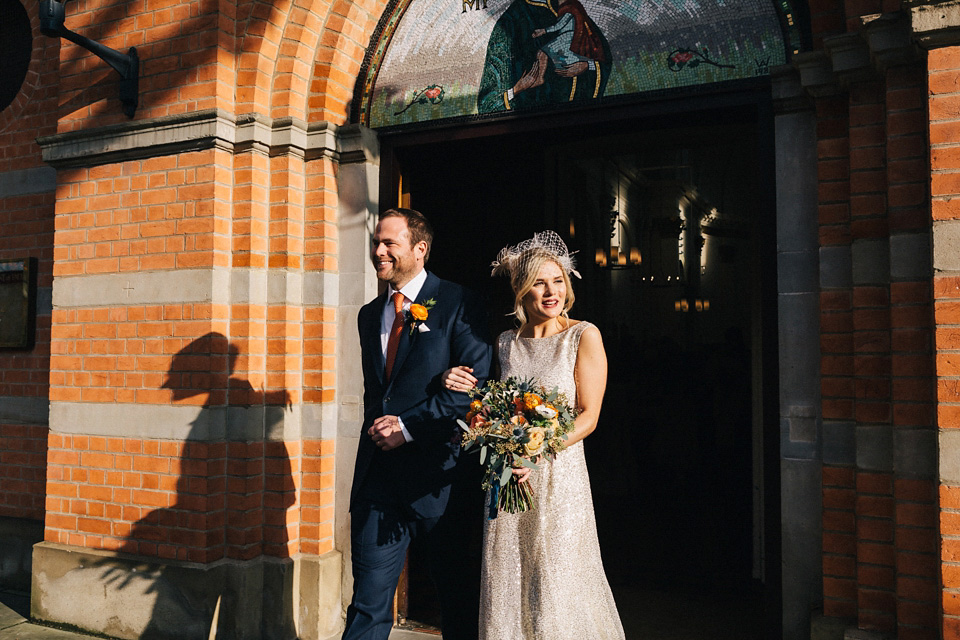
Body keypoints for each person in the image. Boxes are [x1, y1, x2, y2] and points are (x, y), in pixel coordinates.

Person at [443, 231, 625, 639]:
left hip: (559, 479)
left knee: (554, 577)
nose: (551, 291)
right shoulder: (506, 342)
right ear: (521, 289)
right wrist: (490, 430)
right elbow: (497, 407)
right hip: (509, 482)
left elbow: (589, 416)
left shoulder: (583, 335)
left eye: (557, 280)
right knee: (510, 574)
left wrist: (535, 453)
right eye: (540, 283)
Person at [343, 208, 494, 640]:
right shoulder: (370, 314)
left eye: (389, 243)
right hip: (379, 480)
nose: (379, 251)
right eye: (377, 242)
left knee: (455, 599)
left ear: (420, 249)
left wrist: (406, 427)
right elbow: (382, 393)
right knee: (367, 604)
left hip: (440, 480)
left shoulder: (459, 302)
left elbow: (472, 386)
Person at [476, 0, 611, 114]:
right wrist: (518, 88)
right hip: (534, 125)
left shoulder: (568, 7)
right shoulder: (510, 21)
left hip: (579, 117)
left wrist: (587, 65)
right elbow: (488, 103)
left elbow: (602, 56)